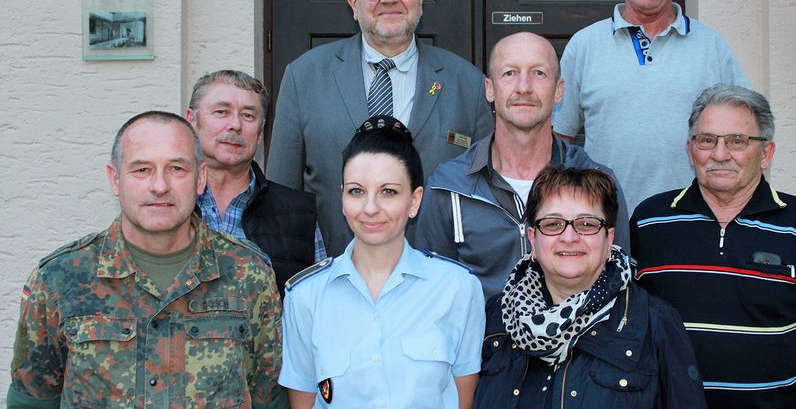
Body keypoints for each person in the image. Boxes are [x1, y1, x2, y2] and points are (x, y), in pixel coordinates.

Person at [8, 111, 285, 407]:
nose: (159, 186)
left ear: (200, 178)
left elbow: (267, 397)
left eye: (177, 168)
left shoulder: (248, 273)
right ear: (115, 179)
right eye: (141, 170)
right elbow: (32, 400)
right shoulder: (60, 279)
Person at [631, 85, 796, 407]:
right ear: (690, 149)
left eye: (737, 141)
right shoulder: (649, 222)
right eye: (707, 140)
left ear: (766, 153)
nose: (720, 154)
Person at [267, 0, 493, 256]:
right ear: (353, 3)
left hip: (437, 282)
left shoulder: (466, 82)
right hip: (334, 279)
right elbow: (281, 195)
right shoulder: (304, 77)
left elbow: (484, 196)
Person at [279, 115, 485, 408]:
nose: (370, 208)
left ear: (414, 201)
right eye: (356, 191)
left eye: (388, 191)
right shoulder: (305, 298)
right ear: (342, 198)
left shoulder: (458, 289)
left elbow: (463, 400)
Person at [553, 0, 750, 213]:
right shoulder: (584, 46)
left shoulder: (712, 48)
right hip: (604, 225)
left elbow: (746, 136)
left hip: (691, 223)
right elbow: (557, 142)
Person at [416, 32, 629, 299]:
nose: (524, 87)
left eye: (538, 73)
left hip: (579, 339)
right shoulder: (448, 186)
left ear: (559, 90)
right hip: (480, 340)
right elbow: (431, 297)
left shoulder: (599, 183)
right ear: (490, 89)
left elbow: (620, 286)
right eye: (509, 73)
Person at [474, 165, 705, 408]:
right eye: (553, 224)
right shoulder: (497, 317)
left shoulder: (653, 322)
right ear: (533, 238)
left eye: (586, 224)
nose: (569, 237)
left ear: (609, 239)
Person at [186, 70, 323, 297]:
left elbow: (316, 308)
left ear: (260, 133)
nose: (235, 125)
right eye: (222, 112)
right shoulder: (165, 202)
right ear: (192, 120)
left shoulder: (299, 215)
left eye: (248, 115)